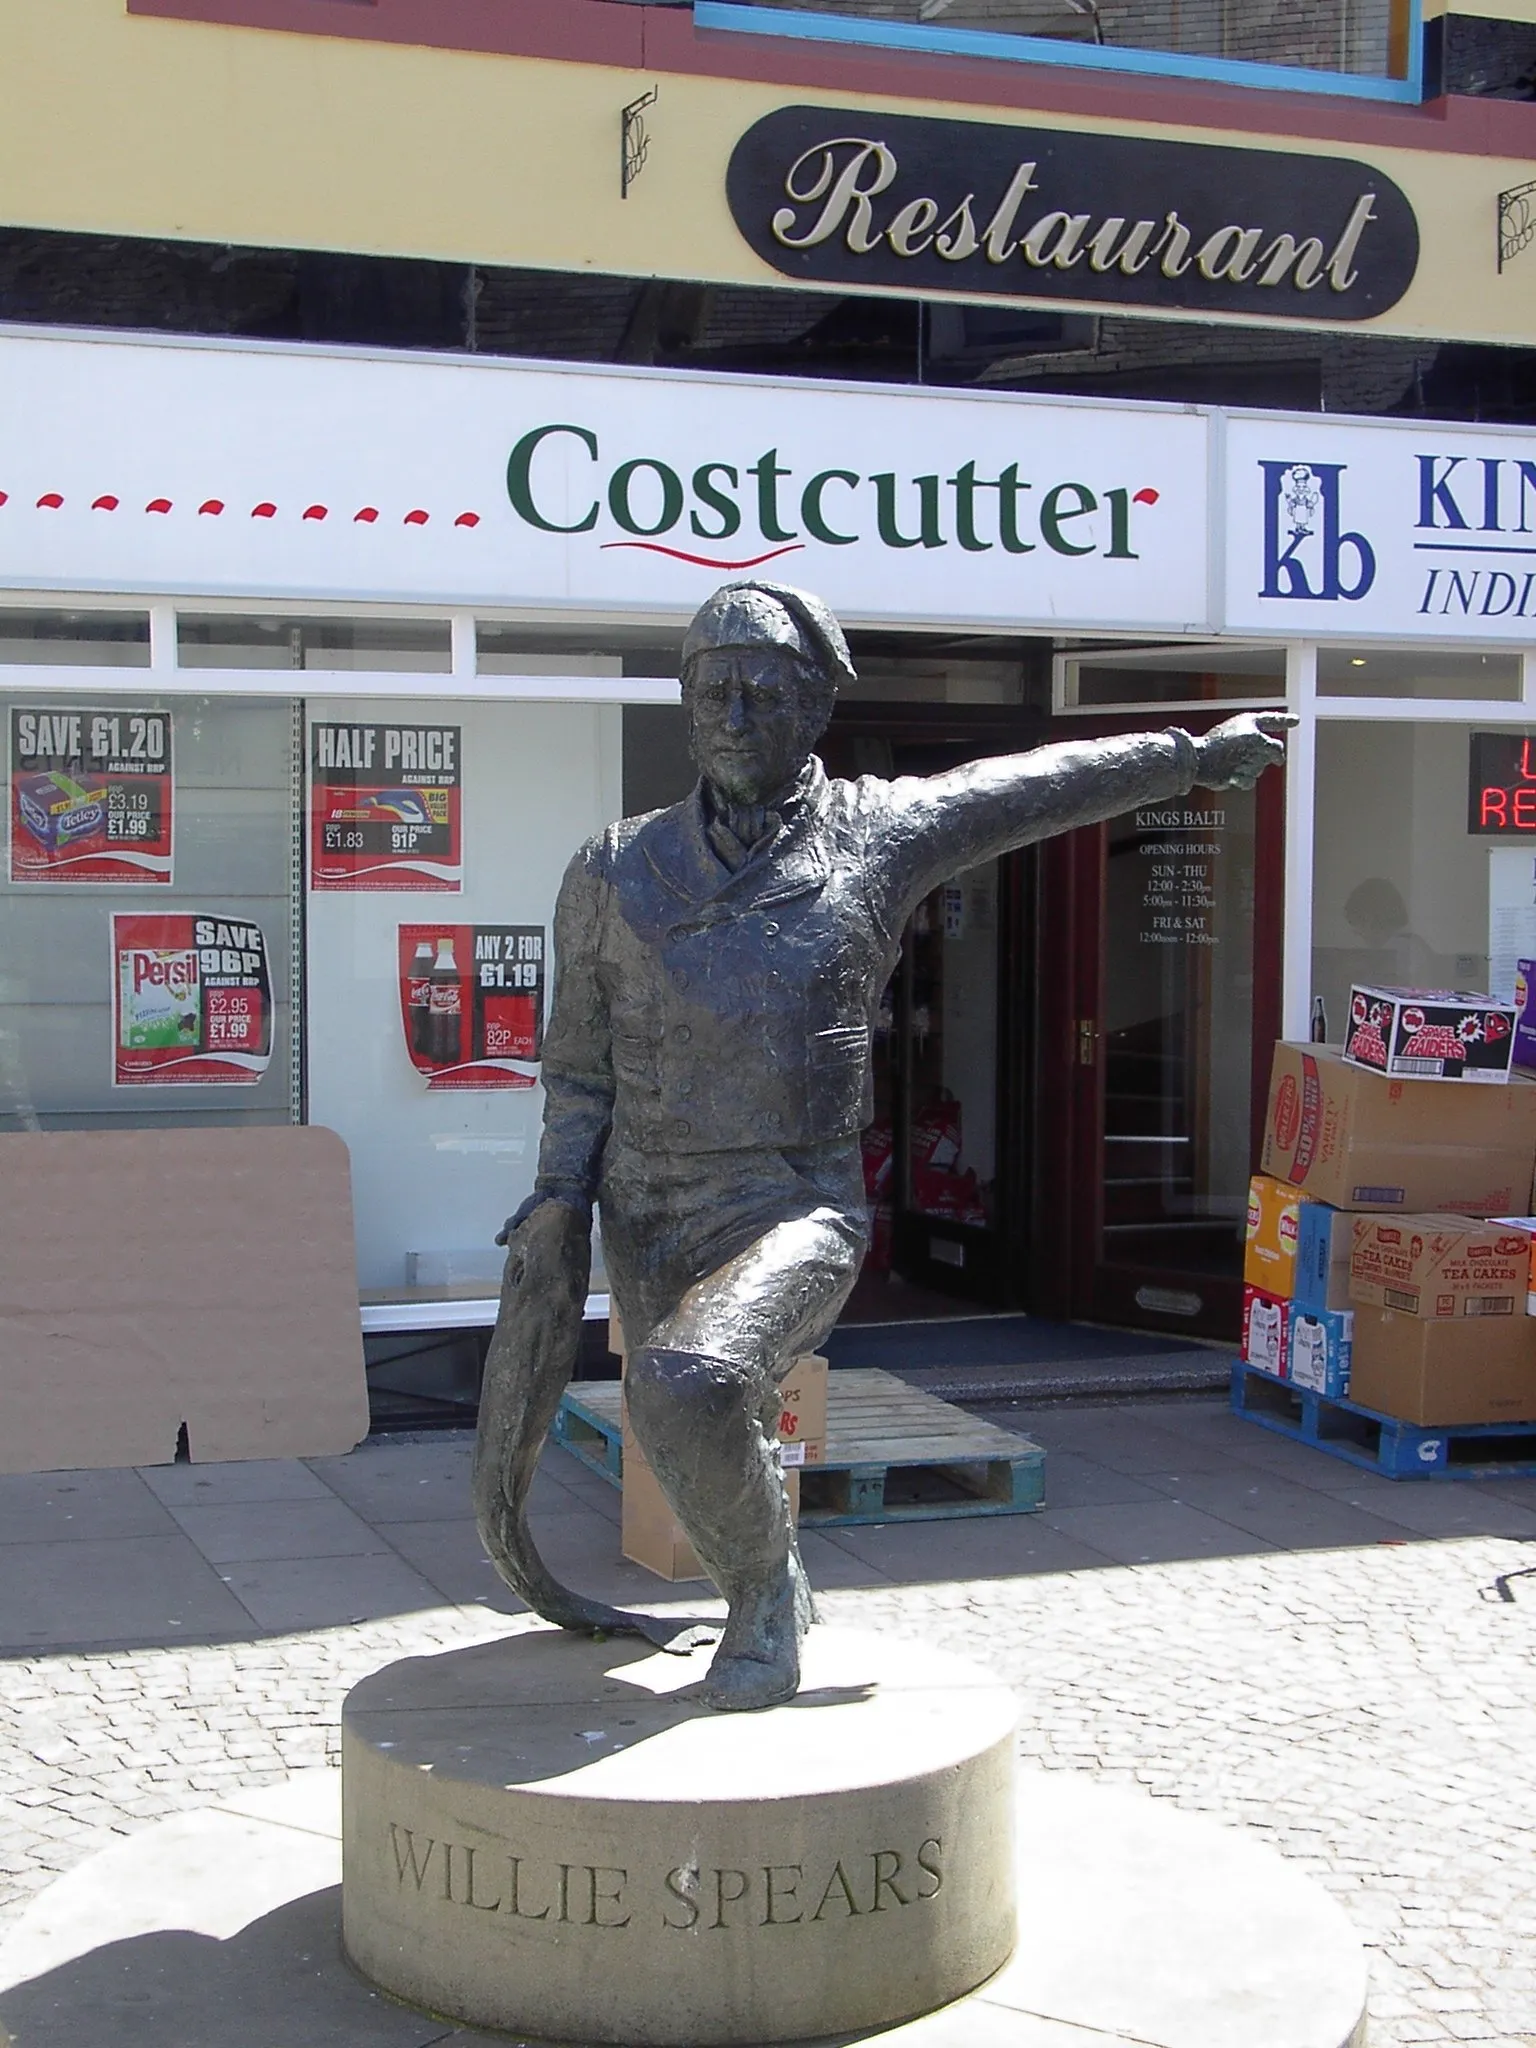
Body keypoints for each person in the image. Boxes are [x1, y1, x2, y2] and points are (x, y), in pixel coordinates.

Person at [474, 579, 1291, 1711]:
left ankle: (760, 1605)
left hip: (795, 1197)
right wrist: (561, 1189)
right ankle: (776, 1576)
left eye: (766, 691)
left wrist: (1188, 757)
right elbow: (578, 1062)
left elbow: (1025, 787)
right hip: (648, 1199)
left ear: (815, 706)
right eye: (716, 691)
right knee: (699, 1416)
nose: (738, 714)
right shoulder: (612, 870)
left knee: (689, 1380)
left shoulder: (874, 831)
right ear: (687, 703)